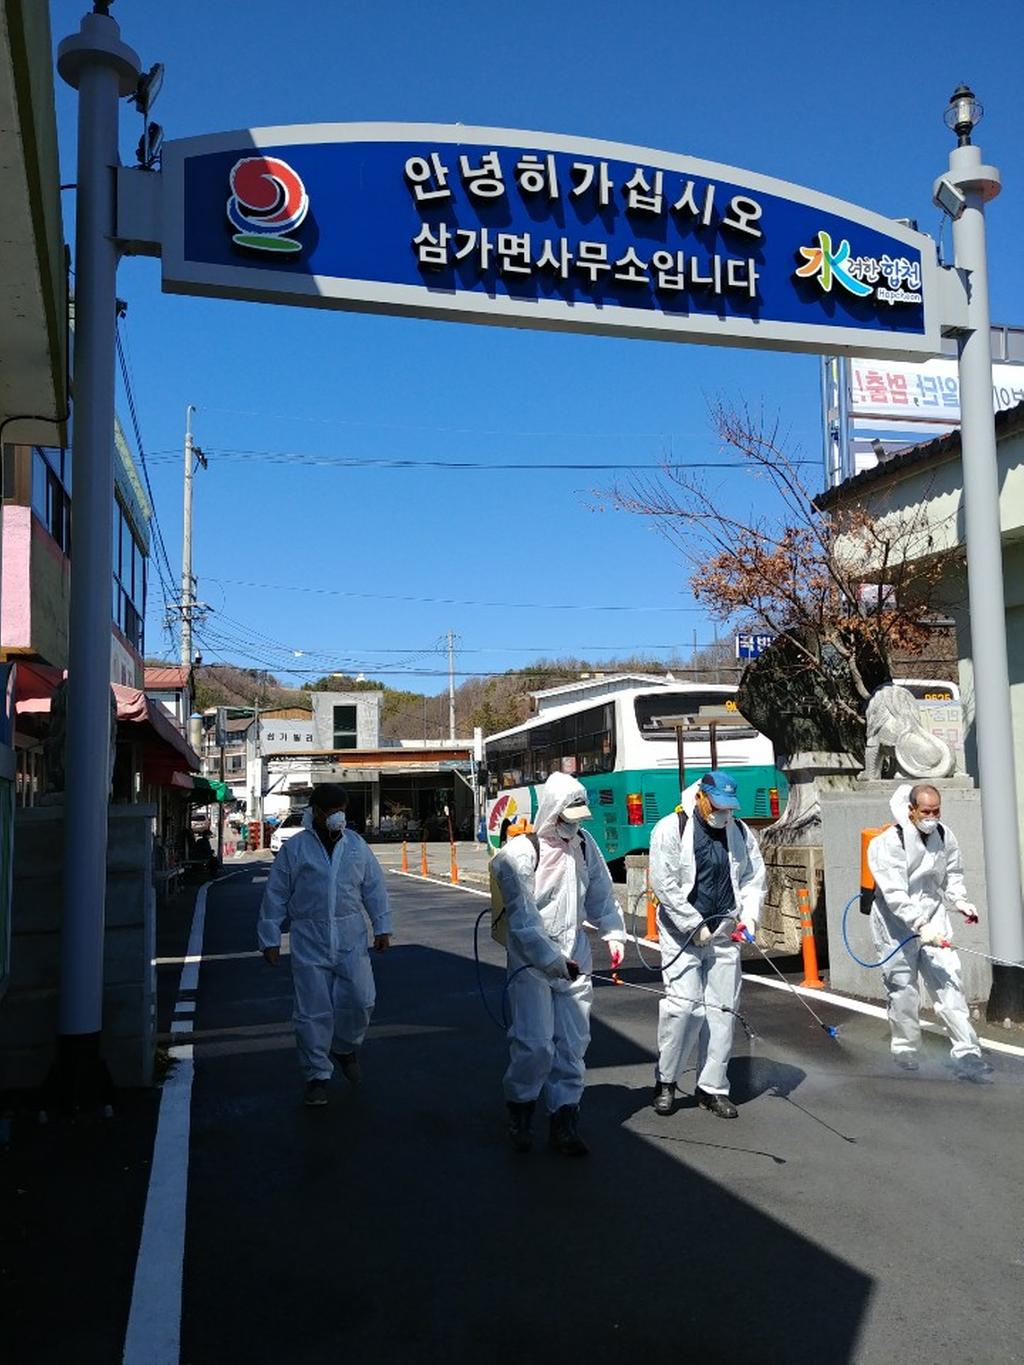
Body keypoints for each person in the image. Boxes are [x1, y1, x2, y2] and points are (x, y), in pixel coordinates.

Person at [490, 771, 626, 1156]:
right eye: (569, 817)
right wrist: (552, 961)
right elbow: (523, 920)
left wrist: (613, 932)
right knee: (534, 1045)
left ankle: (565, 1118)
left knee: (572, 1044)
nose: (574, 825)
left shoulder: (584, 845)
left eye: (579, 818)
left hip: (575, 957)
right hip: (532, 964)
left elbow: (600, 892)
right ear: (552, 811)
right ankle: (520, 1109)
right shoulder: (518, 855)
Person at [257, 783, 392, 1106]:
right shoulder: (297, 848)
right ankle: (316, 1075)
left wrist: (382, 926)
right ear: (315, 813)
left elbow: (374, 887)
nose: (337, 817)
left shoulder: (357, 846)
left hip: (350, 934)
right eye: (331, 812)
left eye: (341, 810)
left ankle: (344, 1047)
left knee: (362, 1000)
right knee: (312, 1010)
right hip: (309, 935)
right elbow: (276, 893)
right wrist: (270, 937)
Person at [648, 771, 766, 1120]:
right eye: (717, 806)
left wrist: (750, 918)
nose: (723, 814)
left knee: (723, 1011)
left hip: (725, 930)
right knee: (684, 1009)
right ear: (702, 797)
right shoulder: (671, 828)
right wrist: (691, 924)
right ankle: (666, 1081)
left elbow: (753, 878)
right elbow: (664, 883)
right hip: (682, 933)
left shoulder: (740, 831)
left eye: (729, 807)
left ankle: (712, 1087)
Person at [867, 782, 991, 1081]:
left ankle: (967, 1051)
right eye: (926, 811)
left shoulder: (944, 834)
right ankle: (906, 1046)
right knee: (902, 986)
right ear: (911, 810)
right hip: (895, 923)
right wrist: (920, 926)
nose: (932, 816)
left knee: (949, 981)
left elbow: (953, 873)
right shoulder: (888, 842)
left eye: (936, 810)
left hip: (934, 917)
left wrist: (960, 901)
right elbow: (895, 893)